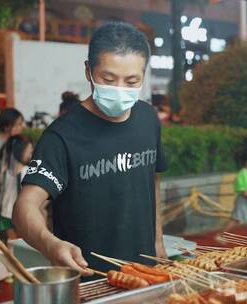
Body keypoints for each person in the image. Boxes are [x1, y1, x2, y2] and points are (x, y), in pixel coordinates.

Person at [13, 21, 167, 277]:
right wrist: (50, 244)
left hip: (145, 272)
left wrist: (158, 239)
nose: (119, 89)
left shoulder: (148, 118)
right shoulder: (61, 135)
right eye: (108, 79)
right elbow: (25, 206)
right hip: (88, 277)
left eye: (131, 81)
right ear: (88, 71)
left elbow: (153, 179)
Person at [0, 135, 33, 240]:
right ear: (20, 151)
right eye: (29, 150)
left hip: (5, 213)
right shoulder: (26, 171)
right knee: (23, 243)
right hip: (20, 215)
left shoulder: (6, 172)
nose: (31, 152)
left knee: (11, 243)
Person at [220, 150, 247, 233]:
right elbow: (244, 191)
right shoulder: (242, 174)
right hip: (243, 201)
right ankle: (221, 235)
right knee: (236, 219)